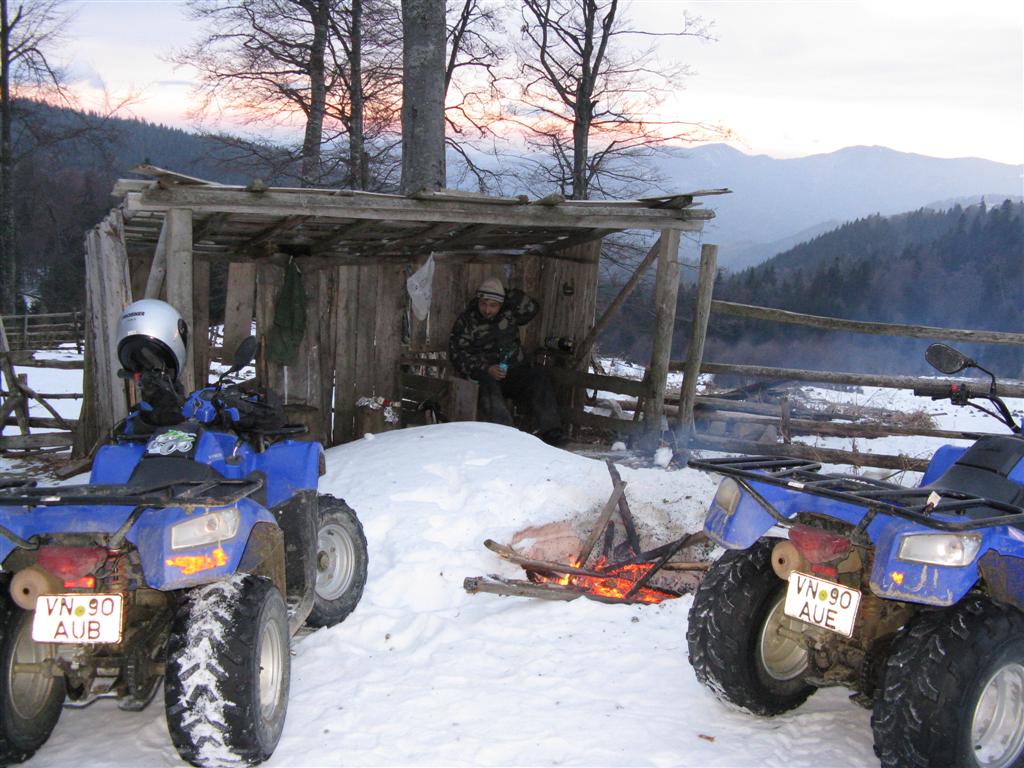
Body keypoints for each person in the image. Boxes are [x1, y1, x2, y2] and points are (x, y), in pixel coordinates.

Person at [449, 278, 566, 445]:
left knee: (538, 376)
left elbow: (532, 309)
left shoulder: (509, 313)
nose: (487, 310)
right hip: (485, 376)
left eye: (493, 305)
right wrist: (486, 368)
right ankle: (506, 434)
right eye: (484, 304)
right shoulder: (467, 321)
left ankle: (552, 432)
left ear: (501, 304)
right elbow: (457, 355)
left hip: (513, 372)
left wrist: (506, 293)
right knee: (488, 384)